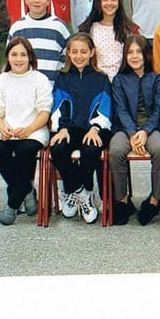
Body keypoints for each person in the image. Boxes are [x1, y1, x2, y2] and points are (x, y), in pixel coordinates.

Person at [0, 37, 53, 225]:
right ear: (8, 57)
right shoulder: (0, 81)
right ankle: (27, 191)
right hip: (6, 130)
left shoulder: (40, 79)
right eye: (14, 54)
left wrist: (29, 129)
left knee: (25, 151)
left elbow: (44, 112)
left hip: (34, 131)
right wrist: (2, 129)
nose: (18, 59)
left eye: (23, 55)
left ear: (30, 57)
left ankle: (12, 205)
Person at [49, 33, 112, 224]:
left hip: (95, 129)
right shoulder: (62, 77)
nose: (79, 56)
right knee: (57, 148)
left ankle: (82, 192)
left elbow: (106, 106)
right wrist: (62, 128)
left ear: (92, 52)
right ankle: (80, 194)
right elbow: (58, 105)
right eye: (74, 52)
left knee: (91, 149)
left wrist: (95, 128)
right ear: (68, 53)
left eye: (83, 52)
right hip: (69, 128)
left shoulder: (101, 78)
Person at [107, 35, 160, 226]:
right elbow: (120, 109)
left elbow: (159, 109)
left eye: (138, 52)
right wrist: (133, 133)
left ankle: (155, 200)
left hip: (151, 129)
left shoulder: (157, 79)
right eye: (130, 52)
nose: (134, 56)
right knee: (116, 151)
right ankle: (122, 200)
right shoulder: (119, 80)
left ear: (146, 54)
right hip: (125, 129)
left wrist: (145, 131)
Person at [7, 0, 71, 84]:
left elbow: (67, 60)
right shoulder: (17, 28)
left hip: (52, 87)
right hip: (24, 87)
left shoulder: (59, 27)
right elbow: (10, 59)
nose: (37, 1)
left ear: (49, 0)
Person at [76, 0, 139, 81]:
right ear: (98, 2)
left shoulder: (129, 30)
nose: (109, 3)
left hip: (122, 83)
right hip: (96, 82)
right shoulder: (88, 29)